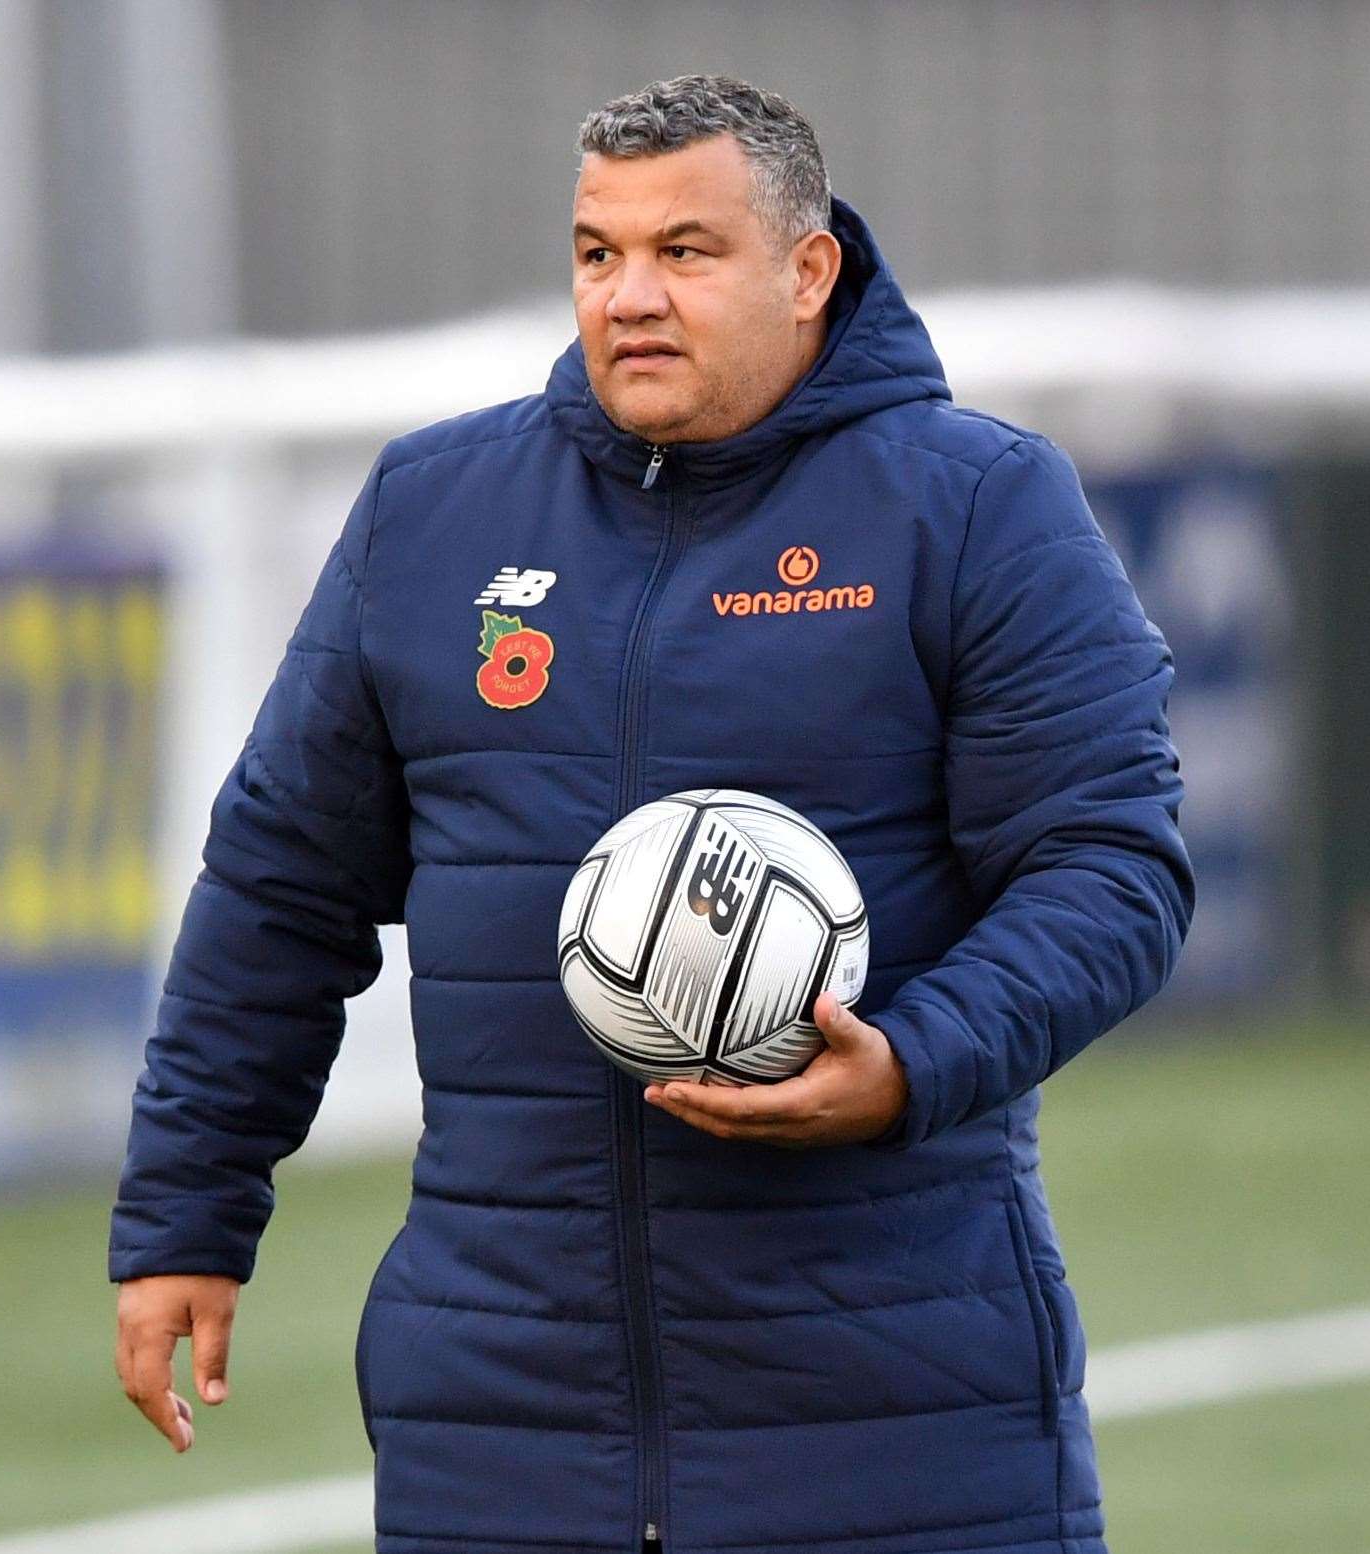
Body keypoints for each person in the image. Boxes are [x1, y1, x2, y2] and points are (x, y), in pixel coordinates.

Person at [111, 73, 1193, 1554]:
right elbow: (278, 892)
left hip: (897, 1416)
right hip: (499, 1417)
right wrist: (187, 1208)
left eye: (686, 252)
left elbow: (1108, 867)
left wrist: (912, 1063)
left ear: (808, 270)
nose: (629, 295)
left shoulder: (976, 504)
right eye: (597, 253)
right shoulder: (434, 510)